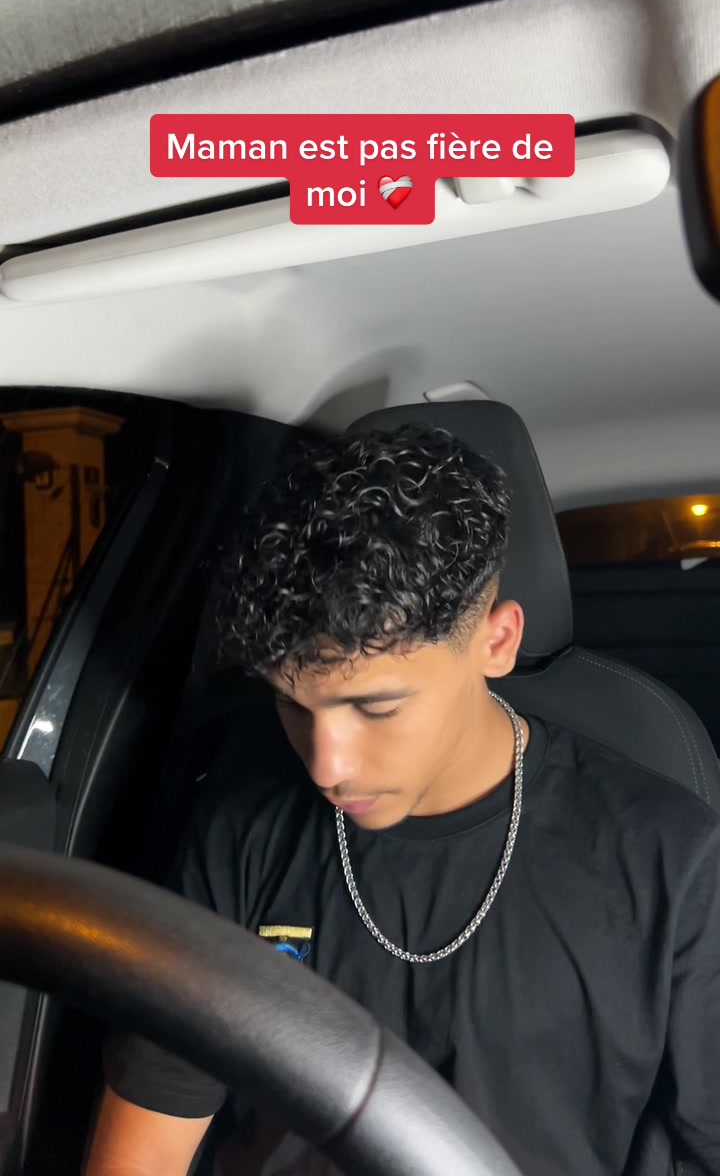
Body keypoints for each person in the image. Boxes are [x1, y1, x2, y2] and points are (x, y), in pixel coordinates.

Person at [84, 424, 720, 1176]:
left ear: (497, 642)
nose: (328, 766)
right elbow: (148, 1143)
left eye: (376, 708)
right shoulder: (242, 826)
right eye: (291, 704)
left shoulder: (670, 858)